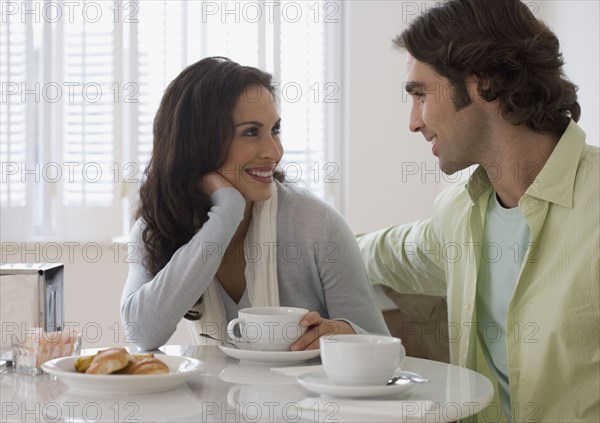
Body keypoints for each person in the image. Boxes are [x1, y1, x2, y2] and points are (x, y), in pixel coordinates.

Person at [357, 1, 599, 422]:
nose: (414, 122)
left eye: (420, 94)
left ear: (481, 83)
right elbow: (388, 252)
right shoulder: (459, 211)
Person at [121, 56, 389, 352]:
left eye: (275, 129)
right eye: (251, 132)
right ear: (199, 143)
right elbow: (141, 332)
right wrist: (226, 212)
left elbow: (383, 347)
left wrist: (342, 332)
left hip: (309, 398)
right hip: (215, 397)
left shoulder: (317, 225)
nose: (274, 151)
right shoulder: (159, 225)